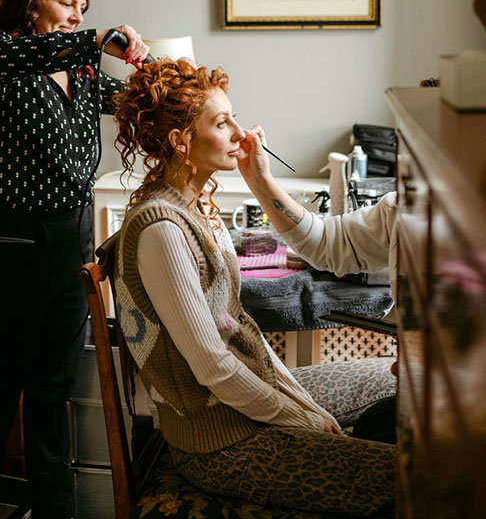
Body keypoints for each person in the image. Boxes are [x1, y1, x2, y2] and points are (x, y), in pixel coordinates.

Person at [113, 59, 396, 517]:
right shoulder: (161, 229)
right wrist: (302, 419)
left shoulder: (199, 208)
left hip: (247, 400)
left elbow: (242, 327)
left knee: (386, 376)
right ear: (180, 142)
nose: (243, 134)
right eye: (223, 123)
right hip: (220, 439)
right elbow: (213, 366)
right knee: (409, 479)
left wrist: (302, 404)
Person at [0, 0, 149, 519]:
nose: (75, 15)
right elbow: (48, 51)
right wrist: (103, 37)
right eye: (66, 2)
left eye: (83, 8)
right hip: (4, 251)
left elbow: (137, 102)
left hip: (71, 249)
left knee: (51, 394)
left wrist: (168, 80)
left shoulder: (83, 71)